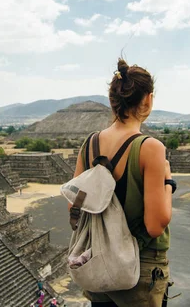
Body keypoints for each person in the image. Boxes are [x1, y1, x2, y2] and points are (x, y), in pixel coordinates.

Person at [71, 58, 172, 306]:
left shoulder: (89, 145)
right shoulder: (150, 148)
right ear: (148, 99)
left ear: (112, 100)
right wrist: (169, 183)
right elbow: (155, 225)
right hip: (137, 273)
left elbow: (75, 210)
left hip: (97, 267)